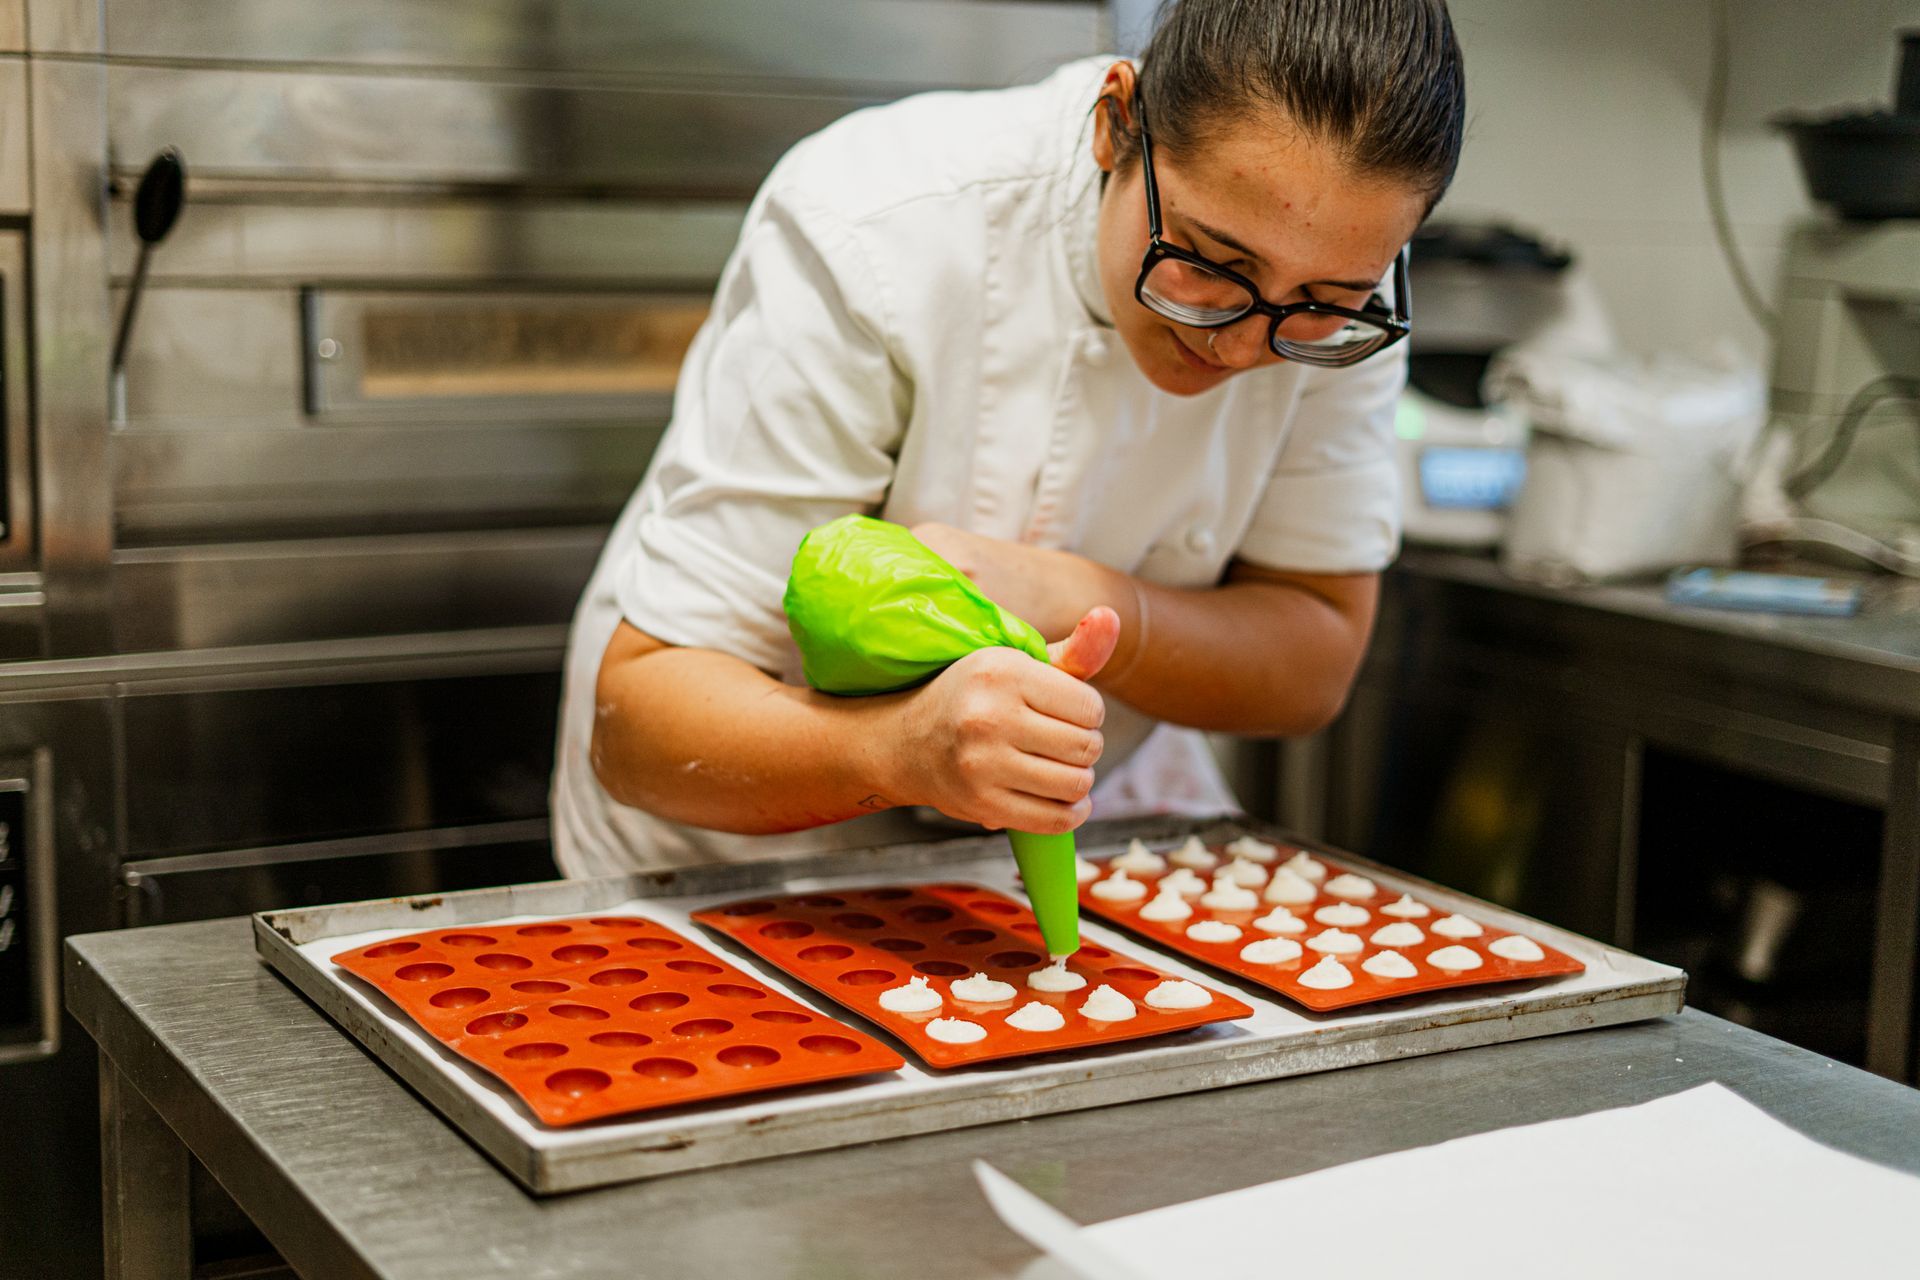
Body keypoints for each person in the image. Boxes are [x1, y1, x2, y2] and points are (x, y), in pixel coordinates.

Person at [554, 0, 1465, 876]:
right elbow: (642, 722)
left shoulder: (1342, 272)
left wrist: (1077, 601)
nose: (1239, 344)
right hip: (748, 836)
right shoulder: (877, 225)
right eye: (1209, 262)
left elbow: (1313, 661)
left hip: (1073, 814)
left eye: (1323, 302)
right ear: (1115, 125)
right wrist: (903, 750)